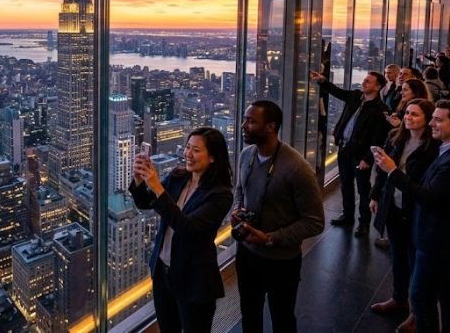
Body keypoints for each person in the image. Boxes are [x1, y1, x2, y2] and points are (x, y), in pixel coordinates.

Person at [130, 127, 233, 332]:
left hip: (194, 278)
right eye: (187, 148)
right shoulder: (179, 177)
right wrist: (139, 181)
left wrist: (157, 186)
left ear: (213, 157)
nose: (187, 154)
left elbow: (187, 227)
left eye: (196, 150)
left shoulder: (220, 195)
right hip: (163, 273)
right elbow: (146, 203)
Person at [233, 100, 324, 333]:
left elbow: (315, 222)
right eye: (245, 119)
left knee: (282, 317)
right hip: (247, 254)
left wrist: (270, 238)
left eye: (251, 121)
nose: (244, 125)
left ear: (271, 127)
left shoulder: (297, 168)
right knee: (249, 312)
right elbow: (240, 189)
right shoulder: (246, 155)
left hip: (281, 261)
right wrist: (237, 209)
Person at [374, 99, 450, 333]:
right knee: (399, 257)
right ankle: (400, 299)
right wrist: (376, 194)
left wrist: (393, 171)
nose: (408, 117)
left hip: (423, 225)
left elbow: (429, 195)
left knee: (420, 284)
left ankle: (417, 317)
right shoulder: (399, 138)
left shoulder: (434, 149)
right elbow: (382, 171)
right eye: (406, 113)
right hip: (398, 211)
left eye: (415, 114)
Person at [310, 70, 390, 236]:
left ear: (378, 87)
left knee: (363, 189)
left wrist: (368, 159)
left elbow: (379, 138)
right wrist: (322, 80)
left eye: (368, 81)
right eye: (365, 80)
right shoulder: (355, 96)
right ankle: (347, 216)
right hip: (344, 149)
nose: (364, 83)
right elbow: (338, 92)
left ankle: (364, 223)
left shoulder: (380, 110)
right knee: (346, 185)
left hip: (360, 155)